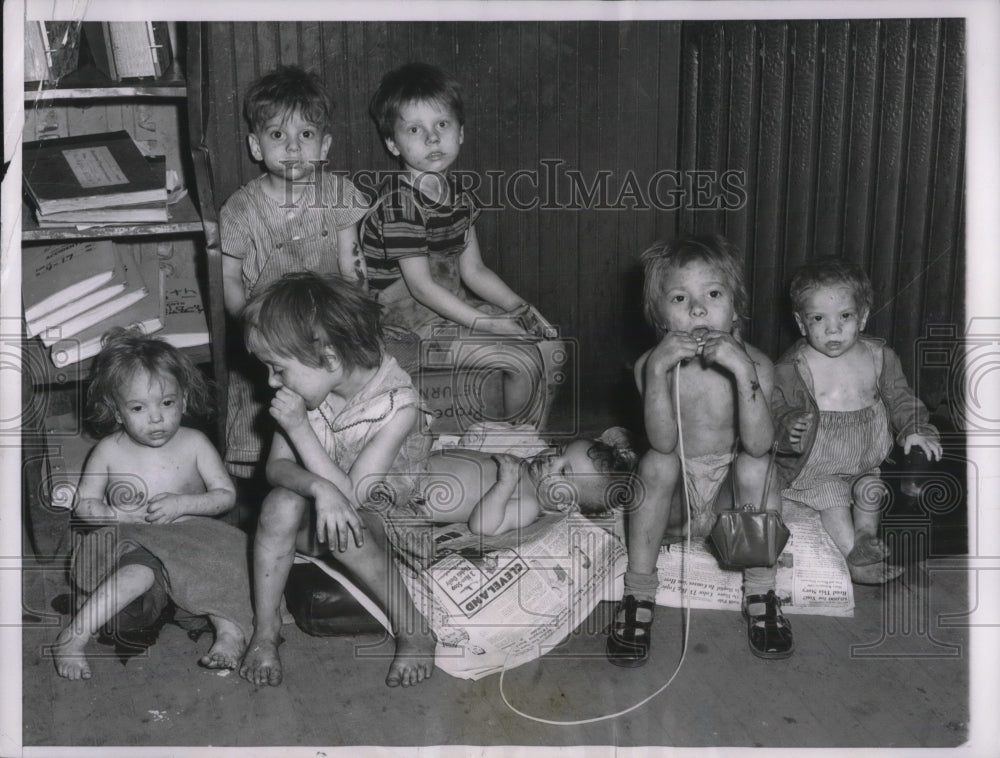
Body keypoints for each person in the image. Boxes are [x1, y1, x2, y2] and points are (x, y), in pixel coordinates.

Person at [237, 272, 436, 688]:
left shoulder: (398, 406)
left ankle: (415, 631)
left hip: (383, 521)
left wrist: (302, 432)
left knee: (344, 528)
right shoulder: (309, 385)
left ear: (328, 359)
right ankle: (266, 629)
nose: (271, 383)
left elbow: (355, 499)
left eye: (278, 370)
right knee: (278, 503)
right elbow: (275, 468)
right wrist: (317, 487)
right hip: (324, 507)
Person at [606, 234, 792, 666]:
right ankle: (638, 594)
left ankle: (761, 591)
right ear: (658, 313)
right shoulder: (651, 366)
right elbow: (663, 441)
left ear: (735, 305)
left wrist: (742, 368)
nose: (698, 309)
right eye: (679, 298)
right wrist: (656, 371)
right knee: (656, 462)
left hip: (731, 511)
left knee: (757, 467)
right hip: (677, 507)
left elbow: (760, 443)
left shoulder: (758, 366)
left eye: (713, 294)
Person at [360, 61, 560, 429]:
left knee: (551, 348)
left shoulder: (460, 198)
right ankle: (512, 446)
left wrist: (522, 309)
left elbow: (474, 271)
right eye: (415, 129)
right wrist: (489, 324)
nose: (432, 138)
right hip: (404, 329)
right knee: (521, 360)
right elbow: (421, 288)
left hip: (448, 312)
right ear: (392, 143)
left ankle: (531, 443)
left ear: (461, 132)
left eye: (442, 125)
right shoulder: (400, 205)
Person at [50, 329, 252, 680]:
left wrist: (184, 504)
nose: (156, 418)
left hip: (192, 536)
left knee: (230, 569)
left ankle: (229, 637)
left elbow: (226, 496)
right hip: (135, 540)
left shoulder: (195, 444)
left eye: (167, 403)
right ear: (116, 411)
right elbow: (85, 504)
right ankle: (72, 637)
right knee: (136, 576)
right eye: (139, 408)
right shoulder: (109, 450)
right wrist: (114, 513)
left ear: (185, 400)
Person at [220, 65, 369, 480]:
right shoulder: (241, 209)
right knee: (267, 417)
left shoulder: (339, 194)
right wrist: (248, 326)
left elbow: (351, 263)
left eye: (306, 135)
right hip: (268, 329)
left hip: (327, 324)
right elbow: (230, 278)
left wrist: (355, 320)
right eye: (277, 135)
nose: (292, 148)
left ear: (325, 146)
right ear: (255, 145)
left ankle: (345, 468)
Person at [772, 259, 942, 584]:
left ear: (862, 316)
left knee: (871, 489)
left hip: (864, 460)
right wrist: (787, 425)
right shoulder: (792, 367)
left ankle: (866, 537)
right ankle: (855, 560)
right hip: (817, 467)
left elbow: (901, 398)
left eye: (845, 316)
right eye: (818, 318)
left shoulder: (879, 357)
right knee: (834, 497)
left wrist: (914, 427)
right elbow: (773, 409)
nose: (832, 329)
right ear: (801, 323)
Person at [419, 428, 638, 535]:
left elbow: (482, 526)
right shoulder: (525, 466)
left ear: (565, 504)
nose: (552, 458)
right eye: (560, 450)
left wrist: (504, 485)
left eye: (563, 472)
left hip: (416, 495)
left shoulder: (528, 505)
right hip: (419, 462)